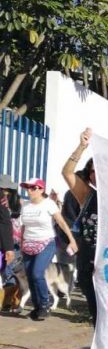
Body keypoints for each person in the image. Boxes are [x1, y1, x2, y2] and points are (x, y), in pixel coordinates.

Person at [18, 178, 77, 320]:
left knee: (37, 273)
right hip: (28, 245)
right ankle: (38, 307)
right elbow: (23, 226)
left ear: (41, 189)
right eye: (28, 188)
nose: (30, 190)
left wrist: (72, 240)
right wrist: (21, 242)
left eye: (33, 188)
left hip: (46, 243)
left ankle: (45, 303)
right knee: (30, 276)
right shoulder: (25, 205)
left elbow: (61, 222)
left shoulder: (49, 204)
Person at [61, 128, 99, 323]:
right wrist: (81, 147)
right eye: (93, 171)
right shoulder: (87, 195)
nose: (97, 174)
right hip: (89, 265)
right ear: (89, 175)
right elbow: (67, 172)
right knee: (97, 315)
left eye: (101, 169)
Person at [0, 175, 22, 312]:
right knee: (8, 272)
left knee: (11, 271)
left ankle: (13, 300)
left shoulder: (16, 203)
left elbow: (6, 222)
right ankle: (9, 301)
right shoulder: (4, 200)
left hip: (13, 242)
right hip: (7, 241)